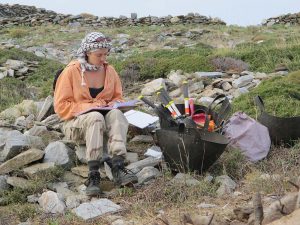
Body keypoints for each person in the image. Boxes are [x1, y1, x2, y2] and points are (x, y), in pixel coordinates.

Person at [54, 32, 138, 196]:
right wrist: (91, 105)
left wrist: (116, 104)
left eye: (106, 54)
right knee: (95, 116)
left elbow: (117, 97)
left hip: (104, 121)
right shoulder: (71, 71)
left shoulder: (110, 71)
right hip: (76, 125)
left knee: (116, 115)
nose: (103, 59)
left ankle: (118, 167)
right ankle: (93, 174)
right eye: (99, 55)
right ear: (87, 52)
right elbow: (61, 106)